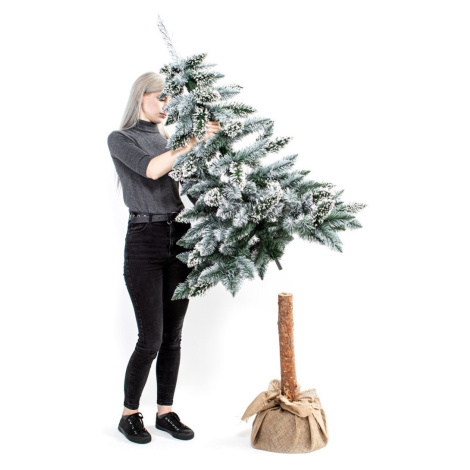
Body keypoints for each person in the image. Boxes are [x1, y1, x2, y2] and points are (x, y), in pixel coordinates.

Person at [107, 71, 221, 444]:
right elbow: (152, 169)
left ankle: (165, 413)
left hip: (180, 236)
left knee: (173, 335)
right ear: (141, 96)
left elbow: (195, 189)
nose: (166, 105)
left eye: (170, 99)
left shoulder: (169, 141)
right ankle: (129, 415)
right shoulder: (121, 139)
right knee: (150, 338)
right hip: (144, 239)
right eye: (160, 97)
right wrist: (191, 142)